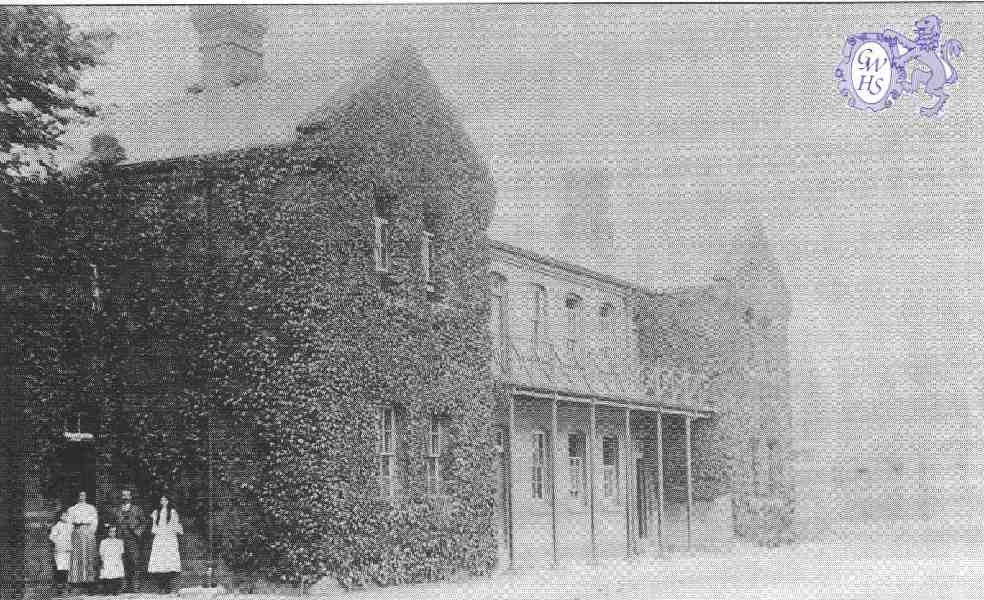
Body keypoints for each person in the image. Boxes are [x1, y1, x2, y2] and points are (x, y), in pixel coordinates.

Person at [147, 495, 183, 595]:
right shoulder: (156, 512)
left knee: (170, 563)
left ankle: (172, 587)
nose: (163, 501)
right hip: (160, 539)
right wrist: (158, 532)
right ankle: (162, 587)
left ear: (169, 501)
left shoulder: (172, 512)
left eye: (165, 500)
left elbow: (175, 526)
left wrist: (173, 532)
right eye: (161, 500)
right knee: (160, 563)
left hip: (170, 539)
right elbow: (154, 527)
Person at [113, 488, 147, 592]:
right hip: (120, 539)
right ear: (121, 497)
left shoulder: (137, 509)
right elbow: (113, 523)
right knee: (121, 561)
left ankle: (135, 585)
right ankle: (123, 585)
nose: (125, 497)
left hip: (132, 539)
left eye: (127, 495)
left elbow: (144, 523)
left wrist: (137, 532)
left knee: (134, 561)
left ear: (131, 497)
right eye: (123, 495)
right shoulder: (117, 510)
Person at [67, 491, 98, 592]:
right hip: (76, 533)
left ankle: (89, 579)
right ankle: (76, 579)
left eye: (84, 495)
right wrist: (72, 533)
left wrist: (91, 532)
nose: (82, 497)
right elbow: (69, 523)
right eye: (80, 495)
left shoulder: (91, 508)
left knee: (88, 555)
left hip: (88, 532)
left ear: (86, 496)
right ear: (77, 496)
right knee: (77, 555)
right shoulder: (72, 509)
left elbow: (94, 521)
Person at [49, 511, 73, 596]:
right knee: (60, 567)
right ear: (60, 517)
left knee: (66, 567)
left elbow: (72, 535)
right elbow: (52, 537)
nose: (65, 517)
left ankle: (65, 583)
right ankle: (59, 585)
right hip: (59, 550)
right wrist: (58, 542)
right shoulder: (57, 526)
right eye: (63, 515)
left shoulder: (70, 526)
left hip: (67, 549)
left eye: (66, 515)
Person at [99, 525, 125, 595]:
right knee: (107, 575)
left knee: (116, 575)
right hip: (107, 560)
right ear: (107, 532)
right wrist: (102, 562)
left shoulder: (119, 541)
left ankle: (116, 590)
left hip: (116, 560)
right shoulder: (103, 542)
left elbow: (121, 553)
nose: (112, 533)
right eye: (110, 531)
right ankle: (107, 590)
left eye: (114, 532)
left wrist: (119, 562)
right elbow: (102, 553)